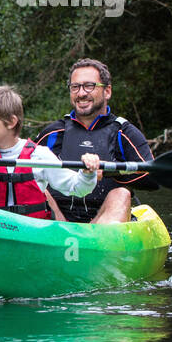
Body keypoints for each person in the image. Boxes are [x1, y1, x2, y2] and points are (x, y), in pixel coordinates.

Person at [0, 85, 100, 219]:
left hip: (33, 233)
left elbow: (77, 188)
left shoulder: (39, 155)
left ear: (11, 122)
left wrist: (87, 173)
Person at [35, 58, 155, 224]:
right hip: (58, 222)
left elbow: (152, 179)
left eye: (89, 86)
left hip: (105, 218)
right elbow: (21, 171)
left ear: (107, 91)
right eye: (75, 87)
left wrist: (107, 172)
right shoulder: (53, 133)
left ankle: (102, 246)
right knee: (39, 189)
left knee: (121, 194)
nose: (81, 93)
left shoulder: (124, 132)